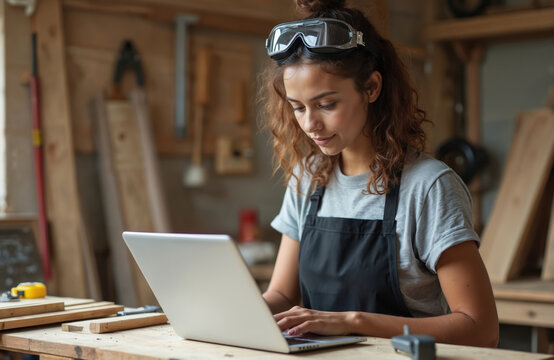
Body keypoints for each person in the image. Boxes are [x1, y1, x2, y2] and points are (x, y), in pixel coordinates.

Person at [259, 0, 499, 348]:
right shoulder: (308, 177)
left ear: (371, 87)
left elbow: (480, 329)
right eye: (298, 107)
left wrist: (354, 322)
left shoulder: (429, 187)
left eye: (327, 104)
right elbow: (282, 293)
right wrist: (229, 313)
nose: (310, 124)